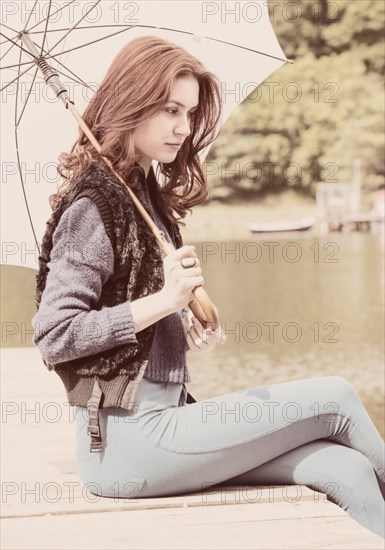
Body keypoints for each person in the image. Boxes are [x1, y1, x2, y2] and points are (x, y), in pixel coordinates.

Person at [32, 35, 385, 539]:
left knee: (343, 470)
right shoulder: (93, 206)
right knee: (336, 396)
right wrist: (162, 302)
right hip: (127, 444)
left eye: (190, 112)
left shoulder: (141, 193)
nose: (184, 126)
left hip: (165, 423)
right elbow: (55, 333)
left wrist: (178, 324)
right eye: (171, 109)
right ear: (133, 101)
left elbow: (134, 327)